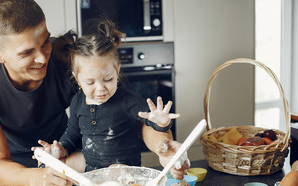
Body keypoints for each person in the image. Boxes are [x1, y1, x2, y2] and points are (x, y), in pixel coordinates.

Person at [0, 0, 186, 186]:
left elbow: (129, 115)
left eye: (44, 41)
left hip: (65, 161)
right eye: (26, 53)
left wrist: (161, 144)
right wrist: (36, 176)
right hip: (12, 170)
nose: (42, 58)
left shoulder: (64, 57)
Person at [34, 20, 188, 173]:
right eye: (90, 82)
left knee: (115, 171)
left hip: (124, 170)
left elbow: (148, 118)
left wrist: (161, 123)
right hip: (90, 168)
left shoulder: (126, 100)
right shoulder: (77, 101)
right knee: (53, 165)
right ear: (77, 78)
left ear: (117, 71)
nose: (101, 88)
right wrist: (61, 148)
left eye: (108, 79)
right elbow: (73, 133)